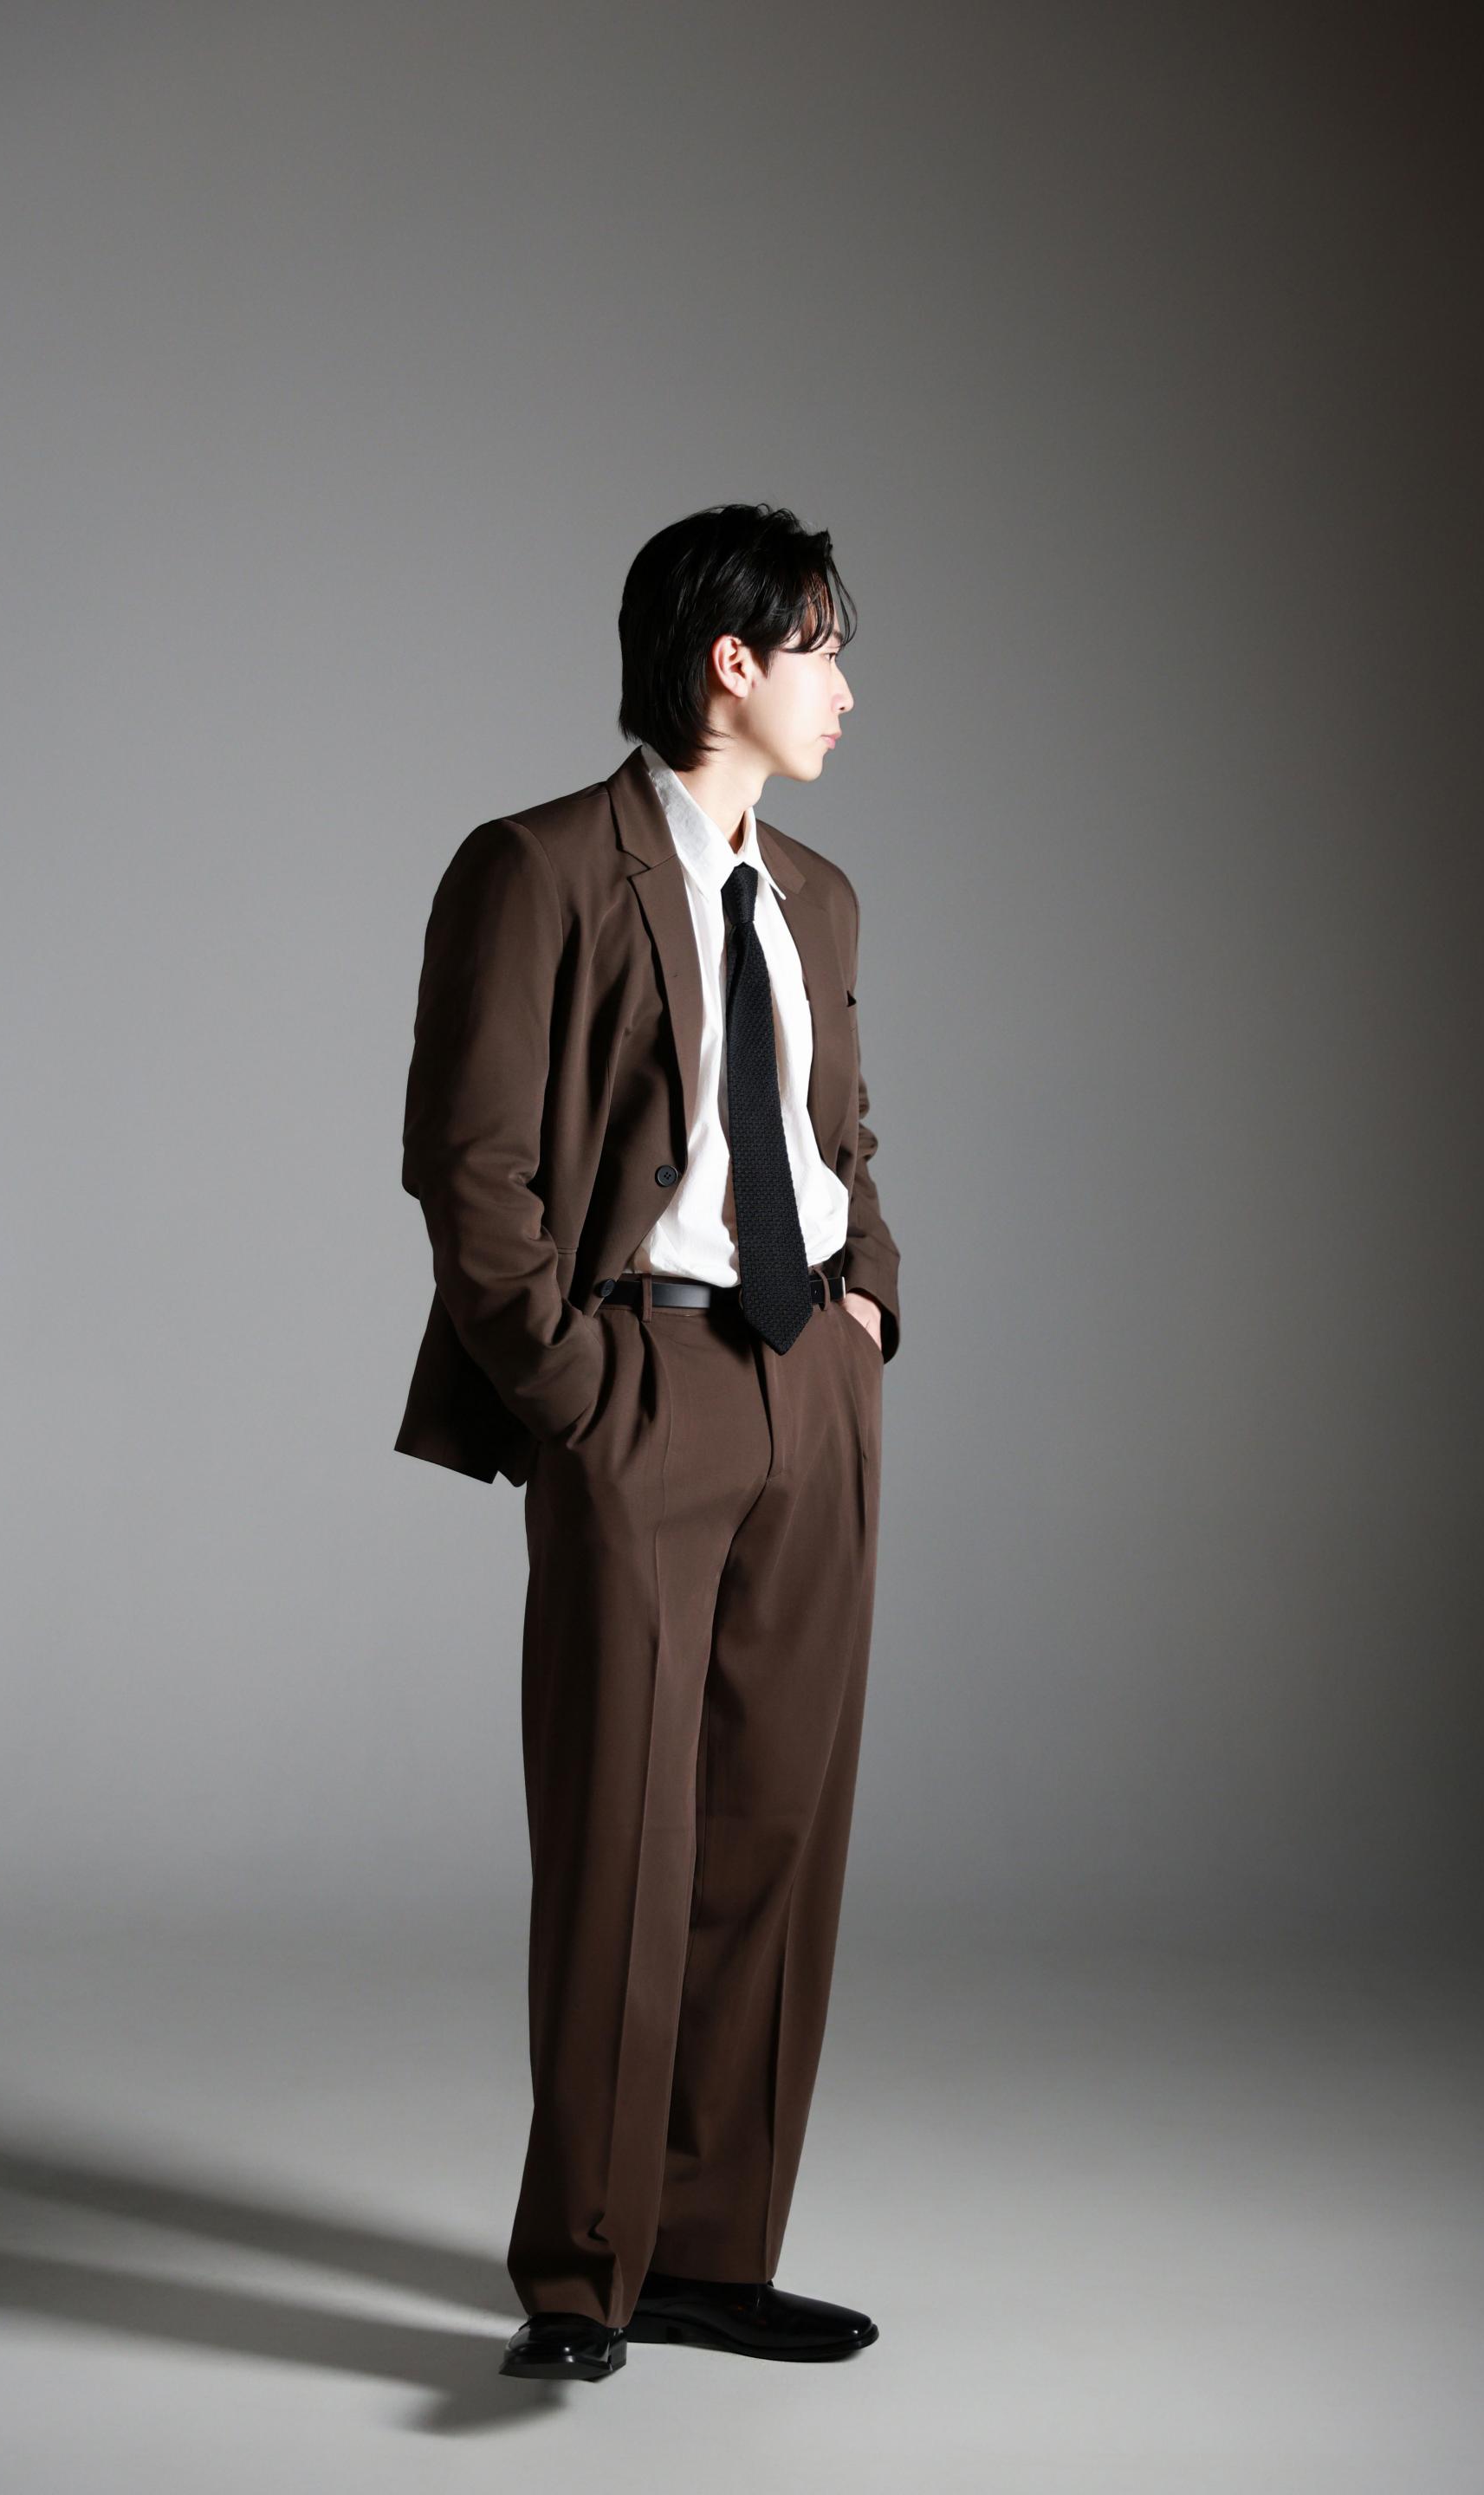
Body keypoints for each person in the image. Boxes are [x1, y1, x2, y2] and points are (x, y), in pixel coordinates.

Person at [395, 502, 901, 2381]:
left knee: (776, 1833)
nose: (845, 690)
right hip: (645, 1386)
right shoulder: (535, 868)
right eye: (823, 650)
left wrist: (869, 1305)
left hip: (811, 1386)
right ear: (731, 661)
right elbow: (470, 1165)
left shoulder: (820, 896)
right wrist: (577, 1398)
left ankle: (710, 2254)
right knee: (623, 1832)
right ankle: (580, 2276)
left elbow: (839, 1137)